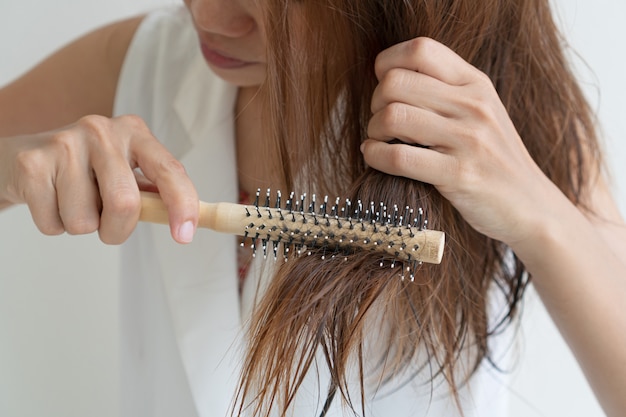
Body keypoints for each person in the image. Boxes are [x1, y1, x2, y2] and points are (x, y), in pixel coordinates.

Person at [0, 1, 624, 416]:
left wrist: (540, 215)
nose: (211, 14)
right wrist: (16, 169)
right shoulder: (146, 60)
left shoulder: (500, 110)